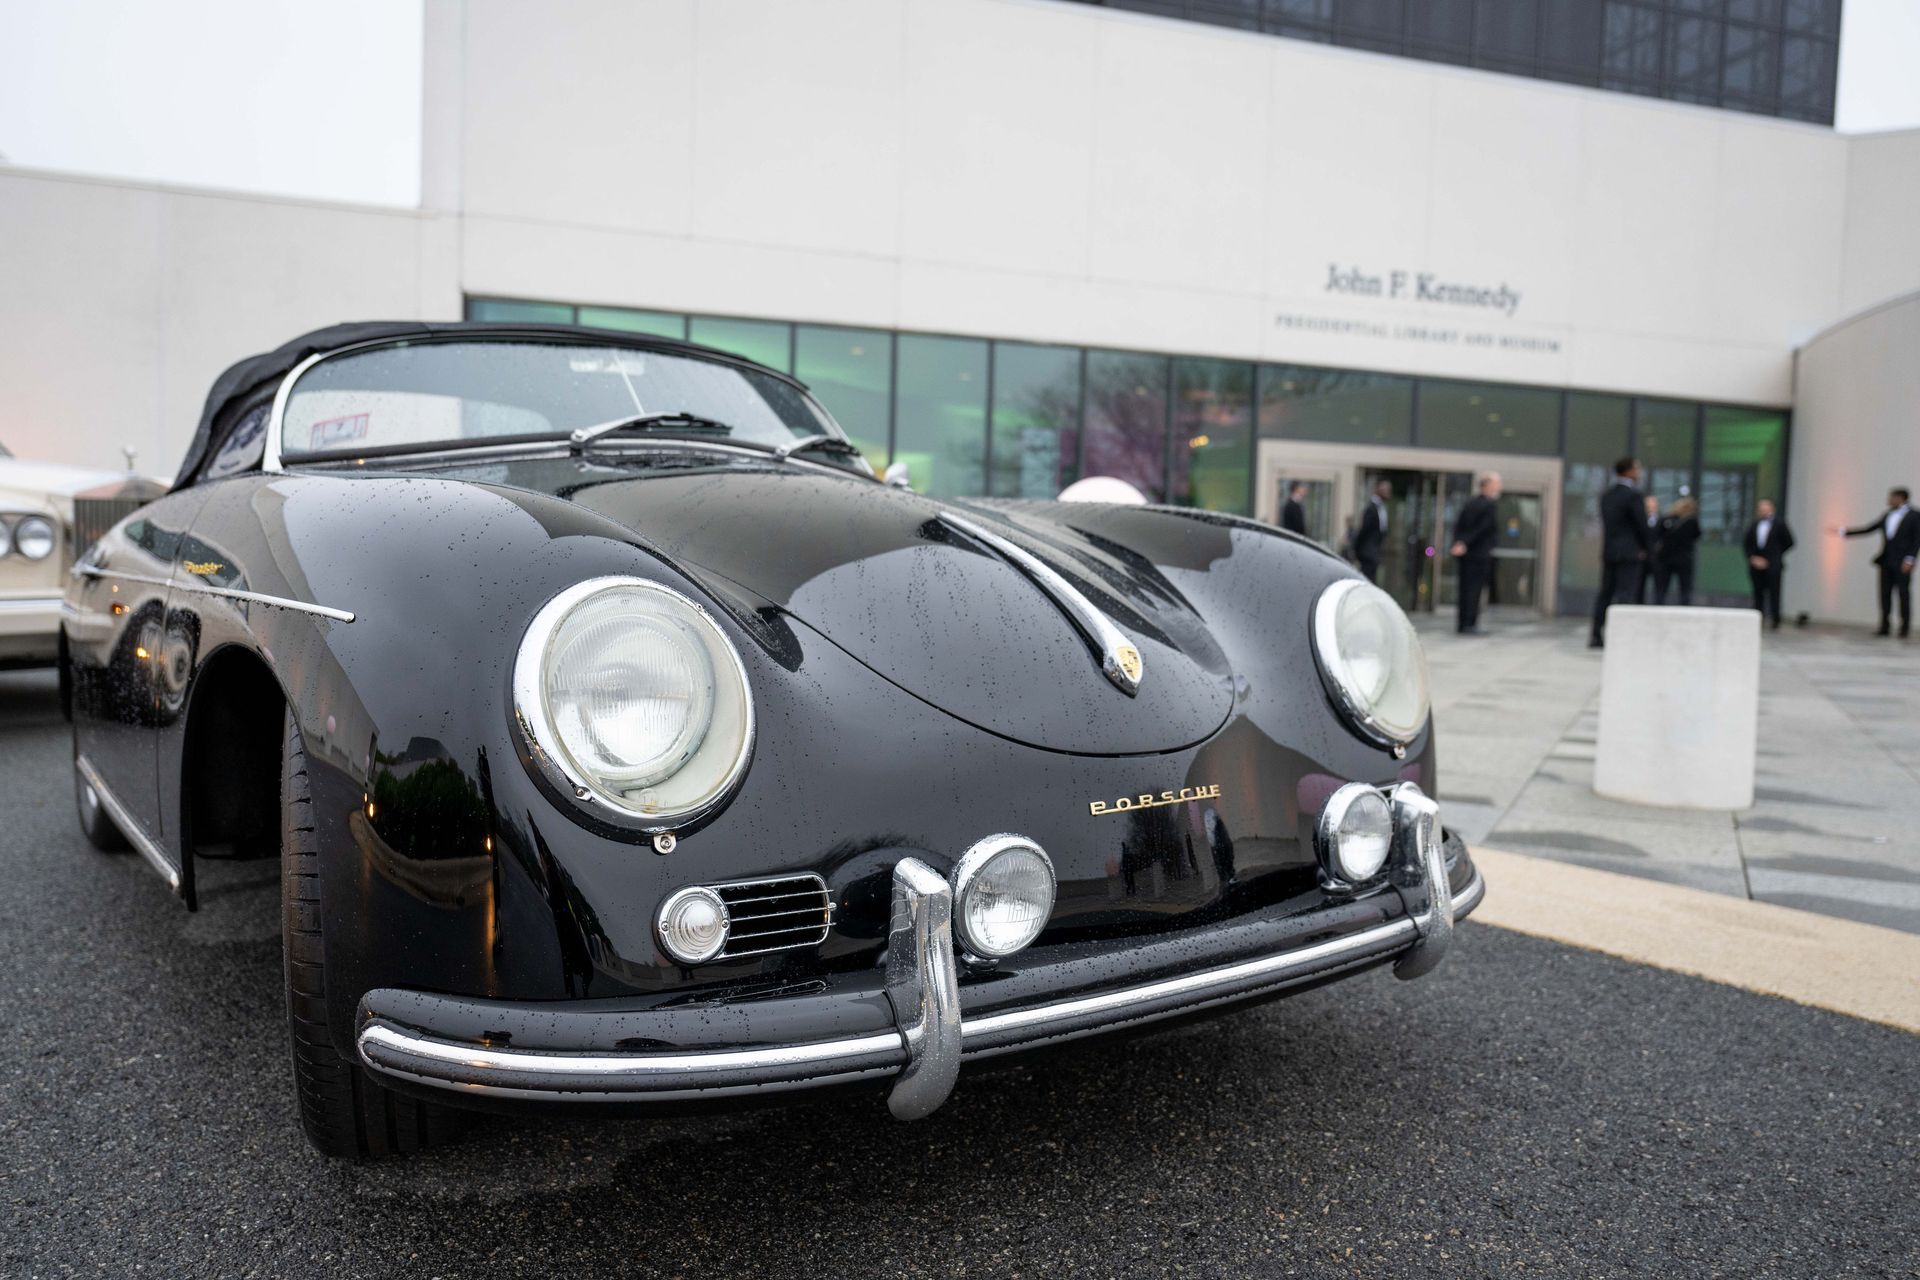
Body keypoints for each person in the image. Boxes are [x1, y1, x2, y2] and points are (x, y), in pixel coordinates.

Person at [1836, 486, 1919, 637]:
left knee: (1903, 594)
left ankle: (1904, 627)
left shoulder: (1914, 515)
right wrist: (1845, 532)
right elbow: (1869, 528)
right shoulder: (1887, 515)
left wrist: (1910, 559)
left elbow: (1916, 540)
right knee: (1884, 594)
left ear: (1900, 498)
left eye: (1891, 497)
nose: (1888, 500)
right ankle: (1884, 626)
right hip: (1886, 561)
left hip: (1902, 562)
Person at [1589, 456, 1650, 649]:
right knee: (1625, 595)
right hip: (1629, 552)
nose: (1639, 472)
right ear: (1628, 471)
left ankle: (1596, 634)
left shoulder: (1607, 495)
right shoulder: (1633, 495)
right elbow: (1641, 525)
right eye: (1636, 468)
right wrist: (1647, 549)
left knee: (1605, 594)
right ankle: (1621, 637)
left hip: (1610, 552)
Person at [1450, 471, 1501, 635]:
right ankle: (1469, 624)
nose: (1498, 487)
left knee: (1465, 589)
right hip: (1477, 554)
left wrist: (1459, 543)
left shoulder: (1469, 503)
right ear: (1488, 485)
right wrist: (1464, 543)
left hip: (1466, 553)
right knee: (1473, 590)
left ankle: (1463, 623)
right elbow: (1483, 529)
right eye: (1496, 484)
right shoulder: (1488, 505)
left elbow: (1458, 526)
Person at [1743, 498, 1795, 630]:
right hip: (1756, 563)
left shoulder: (1780, 524)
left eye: (1766, 507)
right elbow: (1747, 544)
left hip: (1773, 564)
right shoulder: (1754, 524)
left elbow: (1789, 542)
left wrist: (1775, 556)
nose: (1763, 511)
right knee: (1758, 592)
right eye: (1761, 508)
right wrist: (1753, 558)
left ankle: (1775, 618)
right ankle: (1758, 617)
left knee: (1774, 592)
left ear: (1772, 508)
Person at [1653, 496, 1701, 605]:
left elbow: (1656, 535)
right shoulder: (1689, 521)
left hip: (1669, 557)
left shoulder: (1688, 521)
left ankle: (1660, 605)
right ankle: (1683, 606)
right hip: (1678, 558)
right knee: (1683, 587)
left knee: (1663, 587)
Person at [1353, 479, 1390, 583]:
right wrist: (1357, 549)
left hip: (1373, 552)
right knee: (1367, 580)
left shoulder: (1380, 508)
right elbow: (1364, 530)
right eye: (1385, 489)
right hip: (1368, 553)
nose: (1388, 492)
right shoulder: (1371, 508)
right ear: (1377, 489)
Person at [1636, 494, 1661, 602]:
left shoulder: (1662, 520)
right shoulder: (1639, 520)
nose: (1651, 505)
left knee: (1659, 585)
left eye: (1653, 503)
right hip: (1642, 558)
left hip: (1657, 558)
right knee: (1639, 584)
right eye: (1649, 503)